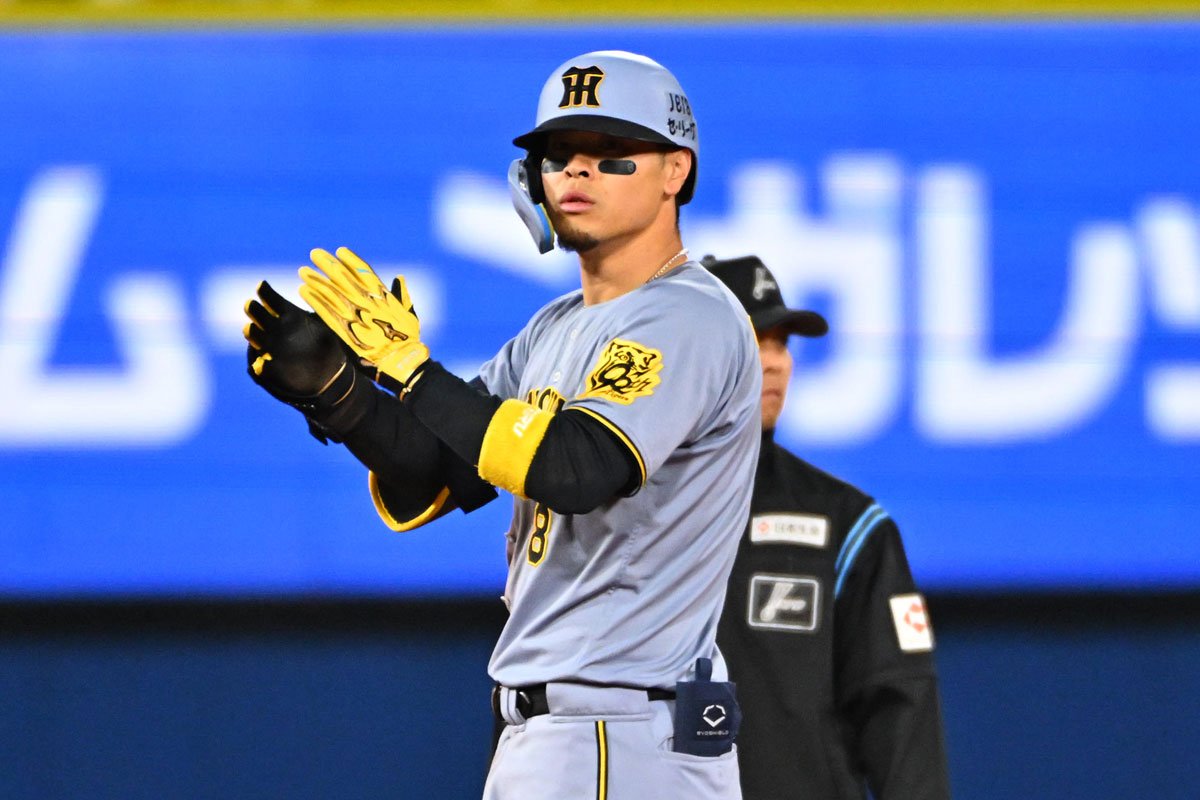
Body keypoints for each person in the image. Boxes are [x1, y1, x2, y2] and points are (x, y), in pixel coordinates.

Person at [242, 51, 761, 799]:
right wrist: (341, 397)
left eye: (611, 153)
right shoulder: (553, 328)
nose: (577, 171)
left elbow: (577, 470)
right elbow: (435, 468)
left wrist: (412, 371)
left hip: (620, 731)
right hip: (562, 731)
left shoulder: (687, 314)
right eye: (559, 153)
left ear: (674, 171)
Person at [702, 253, 952, 799]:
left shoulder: (846, 524)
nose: (775, 363)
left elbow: (900, 710)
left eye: (782, 343)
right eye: (753, 340)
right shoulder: (619, 510)